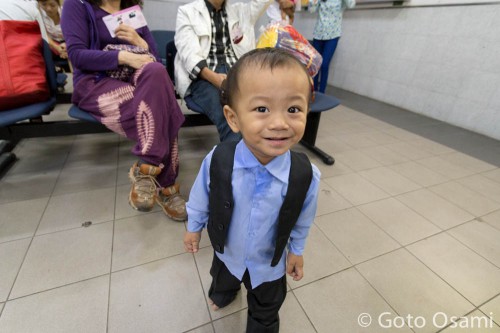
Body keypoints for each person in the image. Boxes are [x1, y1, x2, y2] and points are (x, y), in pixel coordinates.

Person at [184, 48, 321, 332]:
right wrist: (194, 227)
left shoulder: (306, 175)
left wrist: (296, 251)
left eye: (293, 109)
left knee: (267, 308)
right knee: (222, 278)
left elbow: (303, 218)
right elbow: (201, 197)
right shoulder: (218, 160)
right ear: (233, 118)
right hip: (228, 251)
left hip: (268, 264)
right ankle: (223, 293)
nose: (280, 123)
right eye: (262, 109)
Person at [61, 0, 187, 221]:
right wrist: (125, 57)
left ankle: (147, 166)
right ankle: (167, 186)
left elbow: (154, 61)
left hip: (136, 79)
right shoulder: (77, 4)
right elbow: (77, 56)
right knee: (163, 107)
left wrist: (141, 43)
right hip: (95, 82)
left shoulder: (132, 11)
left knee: (157, 78)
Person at [174, 0, 293, 143]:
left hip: (237, 71)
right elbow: (189, 55)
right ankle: (234, 162)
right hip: (204, 76)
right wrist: (217, 79)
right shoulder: (187, 12)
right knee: (230, 116)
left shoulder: (241, 11)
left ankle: (261, 154)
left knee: (261, 110)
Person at [309, 0, 355, 93]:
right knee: (315, 64)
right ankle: (313, 90)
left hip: (333, 35)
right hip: (318, 34)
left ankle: (322, 92)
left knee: (325, 64)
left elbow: (351, 5)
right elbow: (311, 10)